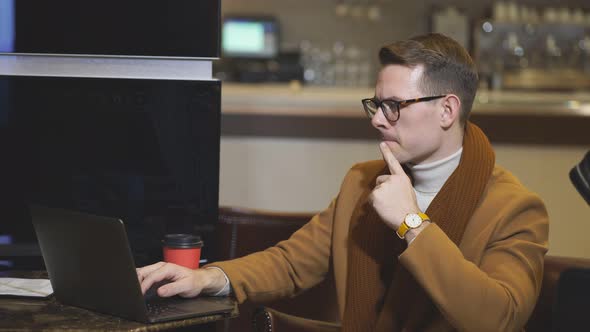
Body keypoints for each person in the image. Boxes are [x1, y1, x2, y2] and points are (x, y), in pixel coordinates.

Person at [137, 33, 549, 331]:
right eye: (375, 104)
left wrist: (412, 223)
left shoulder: (513, 207)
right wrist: (210, 277)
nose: (376, 118)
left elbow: (498, 319)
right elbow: (292, 262)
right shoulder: (361, 182)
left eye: (393, 106)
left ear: (446, 110)